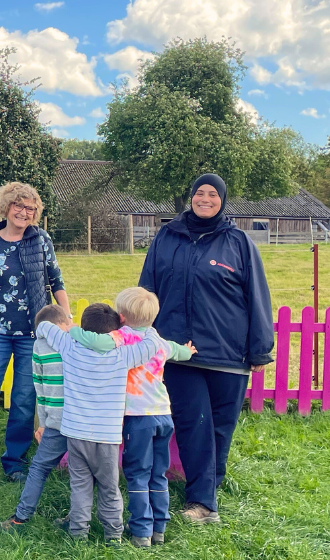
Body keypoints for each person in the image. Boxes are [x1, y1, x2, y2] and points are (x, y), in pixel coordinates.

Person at [139, 173, 274, 524]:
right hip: (179, 350)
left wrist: (260, 349)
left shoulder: (239, 242)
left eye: (213, 194)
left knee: (220, 426)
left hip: (228, 352)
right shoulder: (166, 238)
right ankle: (202, 504)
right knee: (193, 422)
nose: (205, 199)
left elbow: (256, 295)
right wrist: (142, 336)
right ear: (191, 197)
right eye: (200, 193)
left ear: (223, 200)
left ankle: (210, 486)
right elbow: (147, 288)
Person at [0, 182, 71, 483]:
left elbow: (56, 281)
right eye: (18, 206)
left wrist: (67, 320)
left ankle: (15, 461)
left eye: (30, 208)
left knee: (24, 399)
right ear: (6, 207)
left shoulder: (41, 240)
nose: (24, 212)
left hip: (33, 335)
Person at [70, 287, 196, 547]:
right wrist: (189, 351)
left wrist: (71, 330)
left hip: (137, 417)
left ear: (123, 316)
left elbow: (95, 342)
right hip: (163, 414)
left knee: (138, 473)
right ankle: (159, 526)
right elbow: (177, 351)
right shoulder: (157, 339)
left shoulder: (121, 337)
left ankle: (141, 531)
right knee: (158, 474)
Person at [37, 303, 160, 545]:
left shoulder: (69, 347)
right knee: (109, 488)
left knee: (80, 486)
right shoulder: (123, 355)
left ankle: (78, 533)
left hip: (75, 433)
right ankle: (114, 535)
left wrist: (73, 330)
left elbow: (44, 325)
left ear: (84, 327)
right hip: (107, 437)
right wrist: (137, 328)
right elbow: (153, 343)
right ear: (115, 331)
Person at [0, 304, 72, 533]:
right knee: (81, 474)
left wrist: (41, 424)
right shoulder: (76, 343)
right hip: (81, 420)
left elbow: (39, 388)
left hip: (55, 422)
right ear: (63, 324)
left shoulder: (38, 346)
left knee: (39, 468)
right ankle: (78, 522)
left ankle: (21, 518)